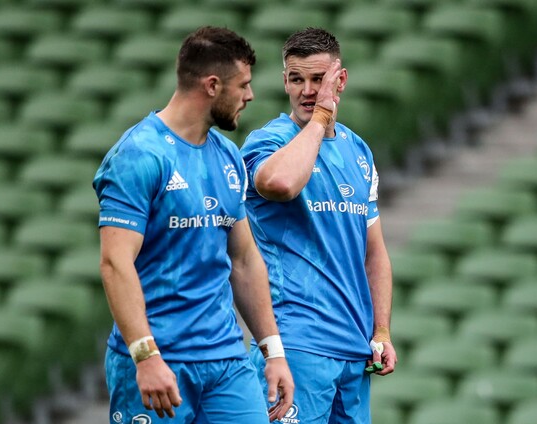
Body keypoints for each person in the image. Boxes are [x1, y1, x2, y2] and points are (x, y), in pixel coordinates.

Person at [93, 26, 294, 424]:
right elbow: (115, 262)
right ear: (212, 85)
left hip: (226, 362)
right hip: (160, 360)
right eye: (244, 85)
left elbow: (244, 259)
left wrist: (273, 351)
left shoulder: (228, 156)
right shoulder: (138, 155)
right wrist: (145, 356)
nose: (250, 96)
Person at [240, 27, 397, 423]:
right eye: (297, 79)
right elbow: (280, 184)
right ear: (285, 82)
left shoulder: (357, 150)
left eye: (318, 80)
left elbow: (374, 252)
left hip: (354, 350)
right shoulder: (268, 142)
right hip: (296, 344)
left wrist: (380, 331)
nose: (307, 91)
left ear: (340, 80)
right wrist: (320, 119)